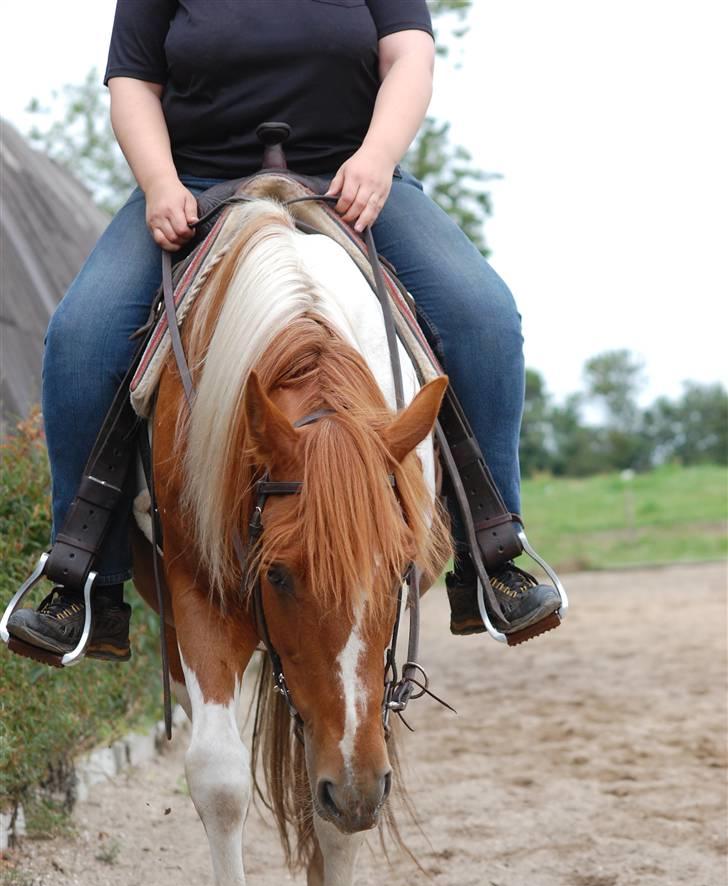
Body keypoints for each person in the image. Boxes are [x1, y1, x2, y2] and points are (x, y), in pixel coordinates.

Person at [8, 0, 560, 661]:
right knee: (81, 338)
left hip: (348, 178)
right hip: (198, 184)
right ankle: (87, 578)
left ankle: (490, 552)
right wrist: (158, 183)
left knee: (483, 316)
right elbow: (133, 82)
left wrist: (377, 159)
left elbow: (409, 55)